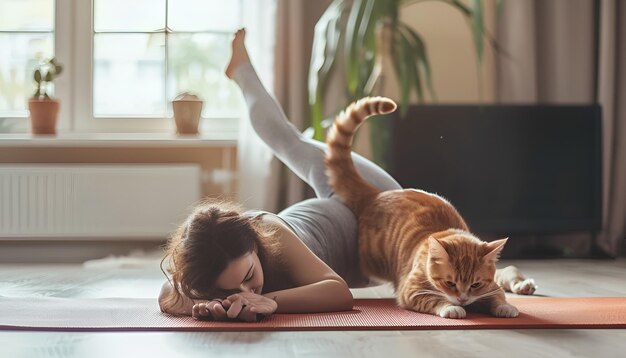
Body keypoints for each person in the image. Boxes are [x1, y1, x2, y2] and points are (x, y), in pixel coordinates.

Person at [158, 29, 403, 322]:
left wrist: (268, 300)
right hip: (357, 250)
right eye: (229, 290)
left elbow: (339, 292)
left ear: (253, 245)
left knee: (288, 140)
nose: (246, 290)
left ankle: (242, 70)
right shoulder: (210, 268)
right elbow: (166, 295)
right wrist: (203, 302)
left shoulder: (269, 230)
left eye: (249, 275)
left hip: (375, 206)